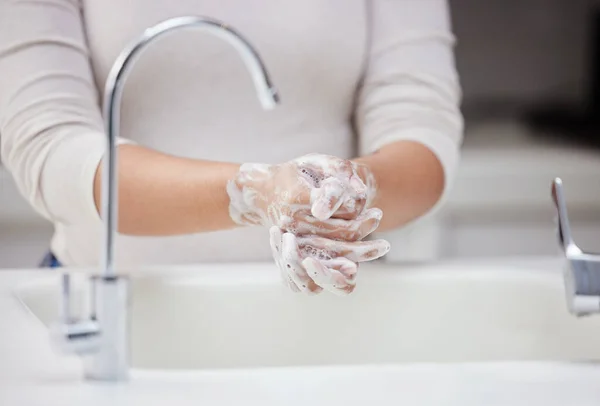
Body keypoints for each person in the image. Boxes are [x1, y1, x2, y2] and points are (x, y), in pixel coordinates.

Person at [0, 0, 463, 295]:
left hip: (330, 310)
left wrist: (350, 188)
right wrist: (257, 193)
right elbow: (47, 141)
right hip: (114, 304)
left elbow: (419, 121)